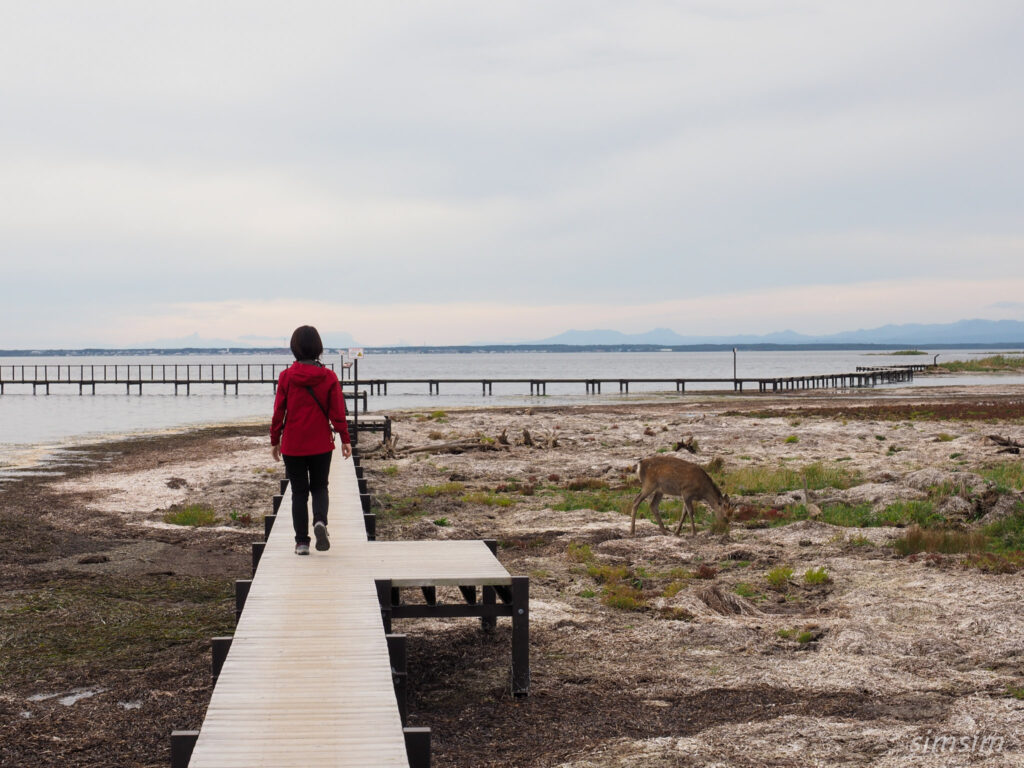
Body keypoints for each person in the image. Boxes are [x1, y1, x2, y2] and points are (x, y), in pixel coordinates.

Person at [270, 325, 352, 555]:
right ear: (318, 348)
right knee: (319, 487)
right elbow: (338, 413)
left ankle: (302, 543)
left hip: (293, 445)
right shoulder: (329, 377)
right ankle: (320, 522)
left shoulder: (286, 377)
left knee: (298, 492)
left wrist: (274, 439)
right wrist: (345, 438)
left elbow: (279, 412)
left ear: (294, 348)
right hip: (320, 444)